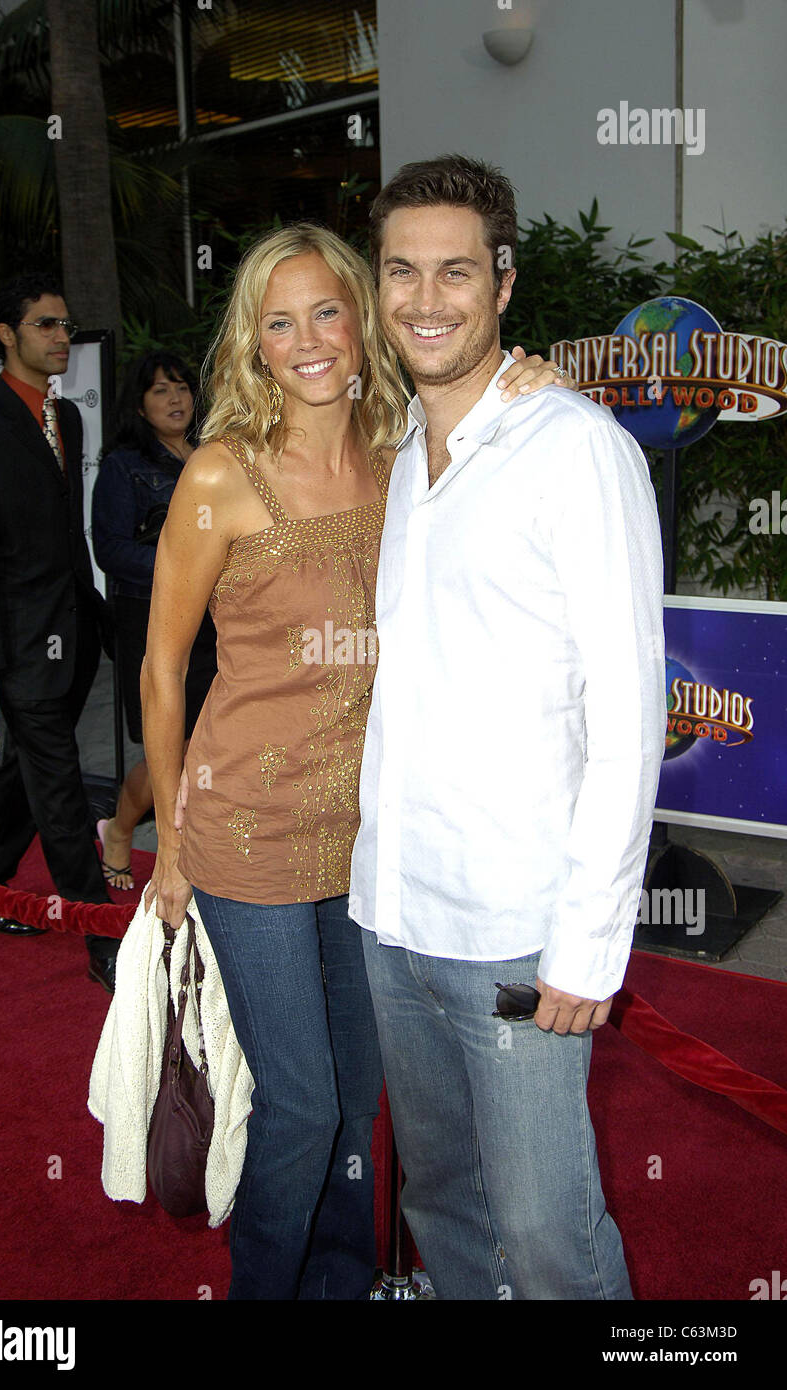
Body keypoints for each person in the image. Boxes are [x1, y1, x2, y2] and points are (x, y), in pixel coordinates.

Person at [140, 221, 572, 1300]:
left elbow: (501, 431)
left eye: (326, 310)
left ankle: (338, 1285)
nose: (307, 340)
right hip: (246, 834)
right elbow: (158, 666)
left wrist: (537, 378)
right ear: (252, 341)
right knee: (301, 1102)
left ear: (362, 317)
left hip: (375, 840)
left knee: (359, 1097)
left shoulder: (405, 456)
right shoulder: (219, 474)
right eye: (277, 321)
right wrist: (168, 845)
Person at [349, 155, 666, 1300]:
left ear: (503, 283)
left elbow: (631, 717)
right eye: (400, 271)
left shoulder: (576, 450)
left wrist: (588, 943)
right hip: (392, 913)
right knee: (441, 1205)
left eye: (454, 272)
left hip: (518, 936)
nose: (424, 299)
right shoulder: (397, 463)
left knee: (545, 1236)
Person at [0, 271, 121, 991]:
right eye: (46, 325)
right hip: (13, 645)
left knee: (29, 769)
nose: (62, 338)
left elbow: (64, 534)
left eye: (66, 325)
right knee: (59, 779)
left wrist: (94, 616)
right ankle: (94, 924)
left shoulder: (66, 419)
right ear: (6, 335)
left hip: (70, 631)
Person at [91, 351, 218, 890]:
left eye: (183, 387)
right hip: (149, 619)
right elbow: (113, 551)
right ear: (140, 406)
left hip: (215, 623)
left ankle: (200, 849)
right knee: (172, 747)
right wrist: (185, 565)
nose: (176, 399)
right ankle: (121, 829)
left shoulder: (214, 455)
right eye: (161, 390)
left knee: (209, 742)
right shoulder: (123, 465)